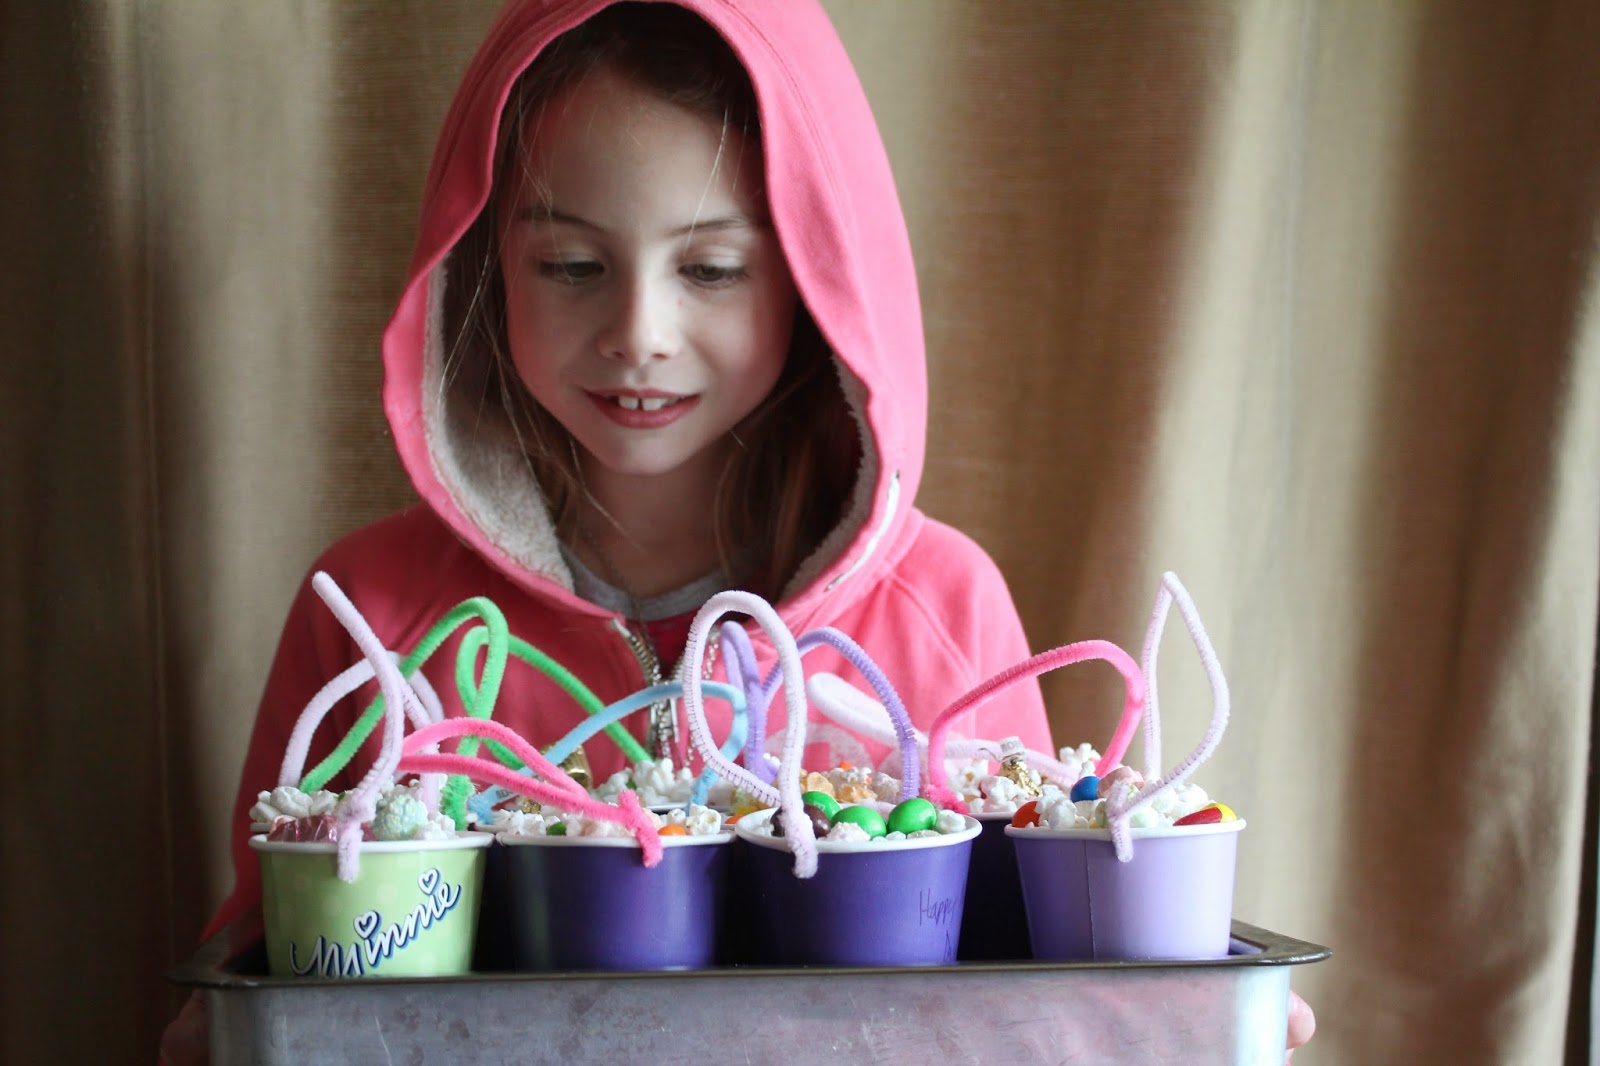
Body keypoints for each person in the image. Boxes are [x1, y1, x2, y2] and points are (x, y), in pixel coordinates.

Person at [163, 1, 1312, 1061]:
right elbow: (278, 956)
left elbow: (1027, 970)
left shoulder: (940, 606)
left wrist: (1179, 1016)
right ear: (482, 265)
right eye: (571, 264)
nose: (639, 330)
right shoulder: (372, 614)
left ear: (818, 281)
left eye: (711, 268)